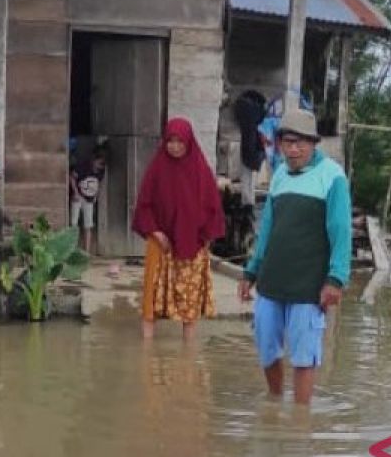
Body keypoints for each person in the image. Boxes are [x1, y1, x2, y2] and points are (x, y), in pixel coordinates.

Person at [238, 108, 352, 405]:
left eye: (300, 142)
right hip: (273, 280)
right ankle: (275, 402)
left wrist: (336, 279)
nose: (293, 149)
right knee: (266, 344)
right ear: (279, 144)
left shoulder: (332, 178)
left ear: (314, 143)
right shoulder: (279, 176)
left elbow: (341, 232)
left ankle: (300, 421)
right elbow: (267, 229)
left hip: (309, 285)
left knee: (303, 355)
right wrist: (251, 271)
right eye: (287, 142)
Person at [132, 118, 226, 340]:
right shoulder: (157, 168)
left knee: (189, 304)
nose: (174, 146)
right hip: (160, 243)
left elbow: (212, 208)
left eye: (179, 141)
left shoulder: (201, 171)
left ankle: (188, 357)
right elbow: (144, 205)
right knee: (151, 302)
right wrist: (155, 232)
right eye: (170, 141)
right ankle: (147, 353)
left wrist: (204, 240)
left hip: (192, 244)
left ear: (189, 142)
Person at [69, 145, 107, 254]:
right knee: (74, 224)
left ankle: (87, 252)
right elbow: (72, 177)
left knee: (88, 225)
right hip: (78, 197)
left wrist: (95, 195)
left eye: (102, 164)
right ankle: (71, 250)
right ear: (93, 160)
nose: (99, 167)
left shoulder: (101, 171)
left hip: (89, 199)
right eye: (99, 163)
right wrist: (76, 193)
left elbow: (98, 183)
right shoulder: (83, 167)